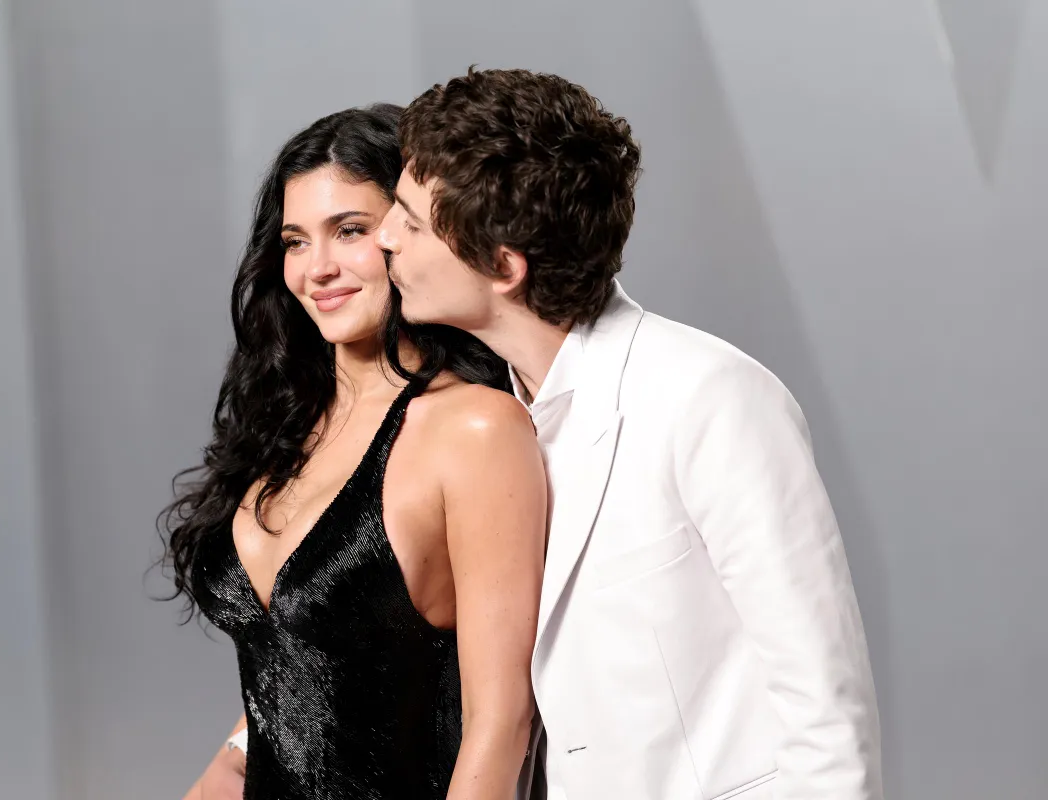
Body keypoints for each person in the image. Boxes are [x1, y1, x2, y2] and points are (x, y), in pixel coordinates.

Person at [375, 68, 884, 799]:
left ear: (504, 268)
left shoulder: (708, 397)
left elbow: (826, 705)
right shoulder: (487, 419)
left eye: (412, 222)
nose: (386, 237)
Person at [159, 103, 547, 800]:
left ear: (410, 232)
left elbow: (501, 722)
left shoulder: (474, 430)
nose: (319, 268)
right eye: (296, 241)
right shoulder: (285, 426)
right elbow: (286, 692)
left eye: (350, 231)